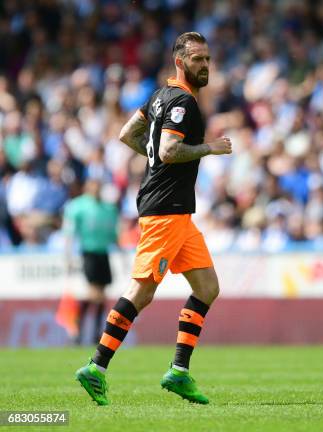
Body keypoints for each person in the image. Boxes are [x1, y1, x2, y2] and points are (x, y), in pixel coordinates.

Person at [75, 32, 232, 406]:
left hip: (178, 212)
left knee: (208, 286)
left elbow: (128, 133)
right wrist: (209, 148)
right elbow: (168, 149)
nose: (205, 66)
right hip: (165, 211)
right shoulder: (182, 101)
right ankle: (96, 367)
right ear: (180, 62)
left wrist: (154, 159)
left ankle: (179, 371)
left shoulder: (159, 97)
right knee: (141, 291)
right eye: (197, 60)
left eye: (208, 59)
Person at [64, 178, 119, 345]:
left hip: (103, 253)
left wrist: (122, 253)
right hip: (89, 253)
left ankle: (90, 332)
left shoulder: (108, 209)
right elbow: (70, 233)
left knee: (101, 293)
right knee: (95, 293)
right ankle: (81, 330)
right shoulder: (78, 206)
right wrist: (68, 255)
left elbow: (113, 234)